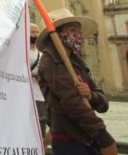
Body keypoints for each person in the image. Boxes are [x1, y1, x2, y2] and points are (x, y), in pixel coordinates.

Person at [37, 9, 117, 155]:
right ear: (56, 35)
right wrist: (102, 136)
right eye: (73, 30)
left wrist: (91, 95)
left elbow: (102, 101)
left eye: (79, 31)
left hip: (87, 137)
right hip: (69, 140)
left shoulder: (77, 61)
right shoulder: (50, 61)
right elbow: (71, 102)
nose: (78, 35)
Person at [28, 23, 51, 148]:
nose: (35, 35)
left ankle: (42, 147)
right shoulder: (21, 51)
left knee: (44, 122)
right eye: (32, 32)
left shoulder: (41, 54)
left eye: (37, 32)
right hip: (25, 94)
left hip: (39, 94)